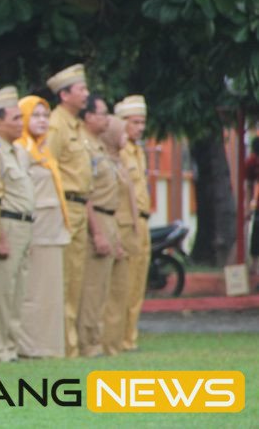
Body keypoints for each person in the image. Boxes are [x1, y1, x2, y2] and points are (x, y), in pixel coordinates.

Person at [43, 64, 92, 358]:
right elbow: (49, 168)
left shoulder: (75, 125)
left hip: (80, 206)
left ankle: (71, 343)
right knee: (64, 278)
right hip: (65, 206)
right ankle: (64, 344)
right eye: (81, 89)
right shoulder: (56, 125)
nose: (86, 94)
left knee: (75, 277)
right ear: (64, 95)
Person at [0, 89, 35, 364]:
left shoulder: (19, 152)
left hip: (25, 225)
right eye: (15, 118)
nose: (20, 123)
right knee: (2, 290)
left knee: (18, 290)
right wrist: (0, 236)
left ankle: (11, 346)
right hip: (7, 224)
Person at [15, 96, 67, 358]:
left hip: (52, 230)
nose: (42, 121)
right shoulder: (21, 149)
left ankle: (50, 345)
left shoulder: (44, 150)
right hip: (34, 230)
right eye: (35, 115)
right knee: (32, 291)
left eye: (45, 115)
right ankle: (31, 346)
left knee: (50, 291)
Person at [78, 100, 120, 358]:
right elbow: (86, 194)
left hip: (109, 217)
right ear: (89, 117)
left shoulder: (99, 145)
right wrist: (97, 232)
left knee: (102, 287)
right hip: (97, 217)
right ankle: (87, 343)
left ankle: (97, 339)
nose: (107, 119)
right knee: (92, 288)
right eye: (103, 114)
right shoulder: (84, 146)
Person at [110, 95, 151, 353]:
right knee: (123, 283)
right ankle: (119, 337)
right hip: (125, 222)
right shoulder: (120, 152)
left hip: (143, 221)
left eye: (142, 122)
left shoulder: (138, 152)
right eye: (135, 122)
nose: (140, 127)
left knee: (137, 283)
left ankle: (130, 336)